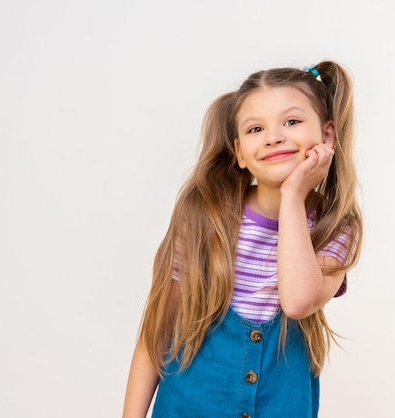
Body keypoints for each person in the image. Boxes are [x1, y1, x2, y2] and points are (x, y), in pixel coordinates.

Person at [122, 61, 363, 418]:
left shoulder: (335, 226)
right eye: (255, 129)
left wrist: (293, 197)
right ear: (239, 152)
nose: (273, 137)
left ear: (327, 136)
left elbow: (297, 302)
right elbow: (157, 332)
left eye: (292, 122)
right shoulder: (205, 216)